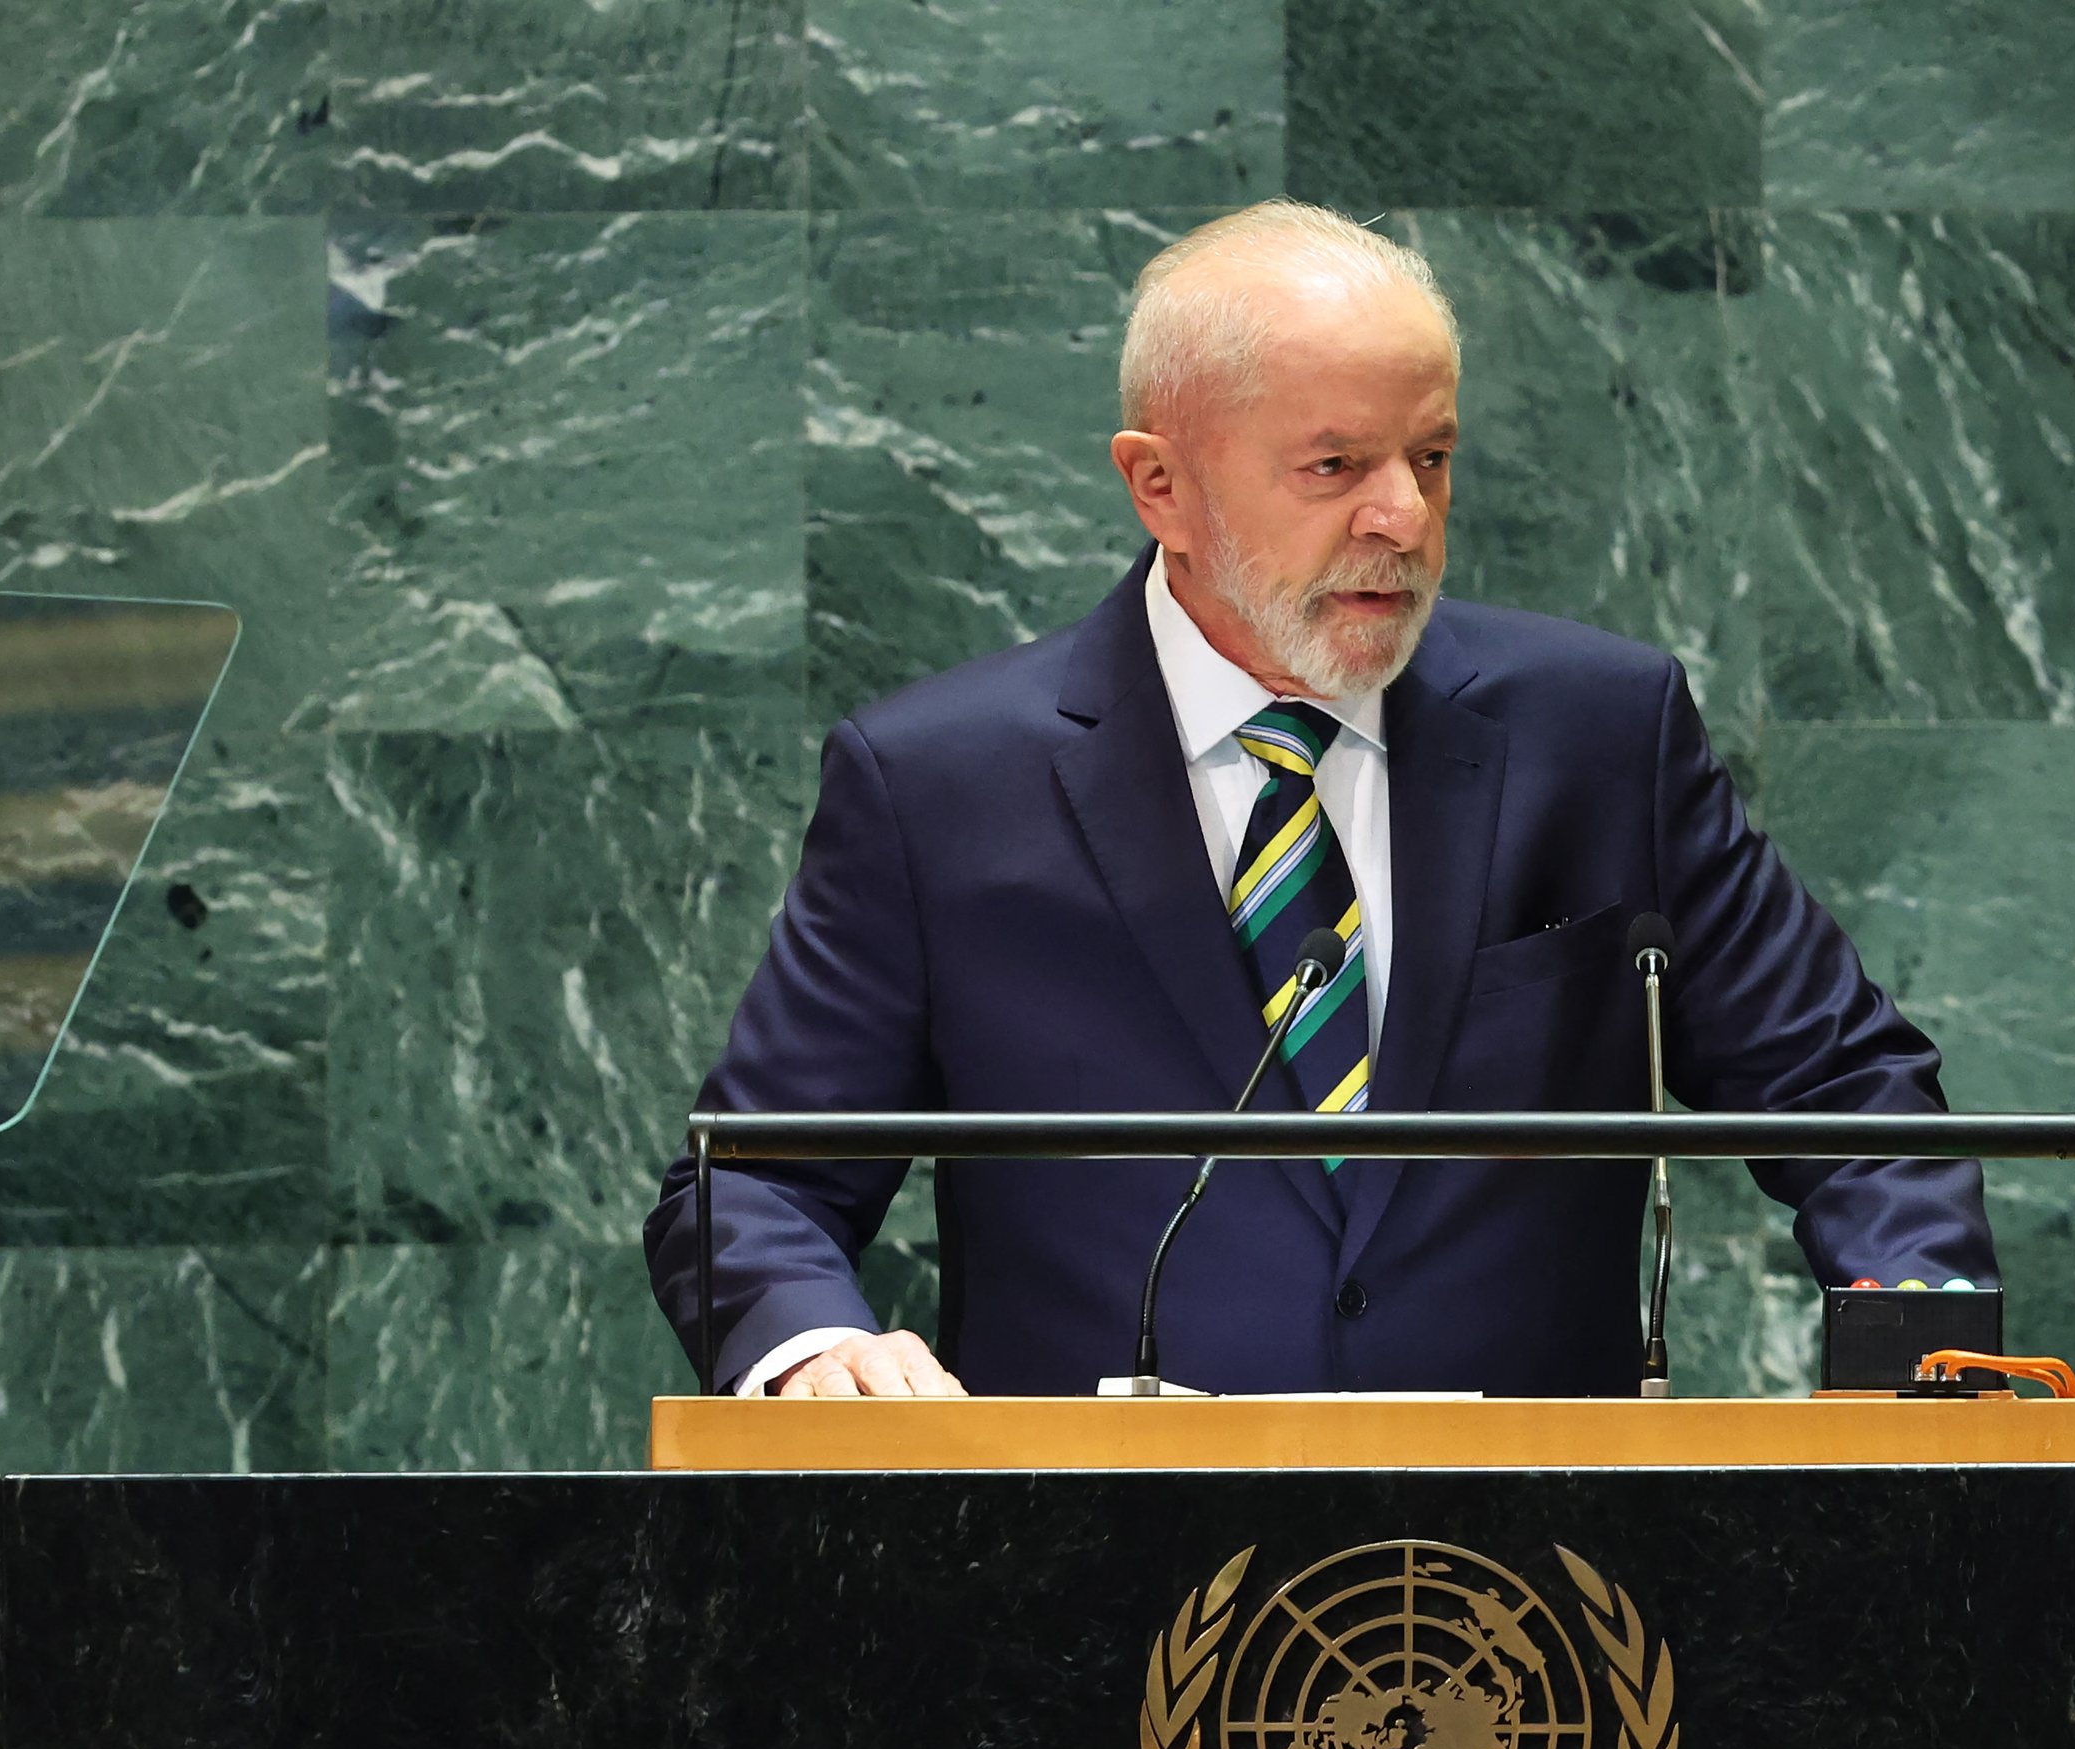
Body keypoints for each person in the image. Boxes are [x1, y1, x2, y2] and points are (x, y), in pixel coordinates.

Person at [644, 200, 1988, 1399]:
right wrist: (817, 1350)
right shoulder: (937, 783)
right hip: (1084, 1590)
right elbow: (752, 1185)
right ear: (1159, 485)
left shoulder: (1599, 732)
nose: (1402, 517)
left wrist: (1914, 1336)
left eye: (1434, 458)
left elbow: (1844, 1083)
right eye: (1335, 467)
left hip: (1542, 1597)